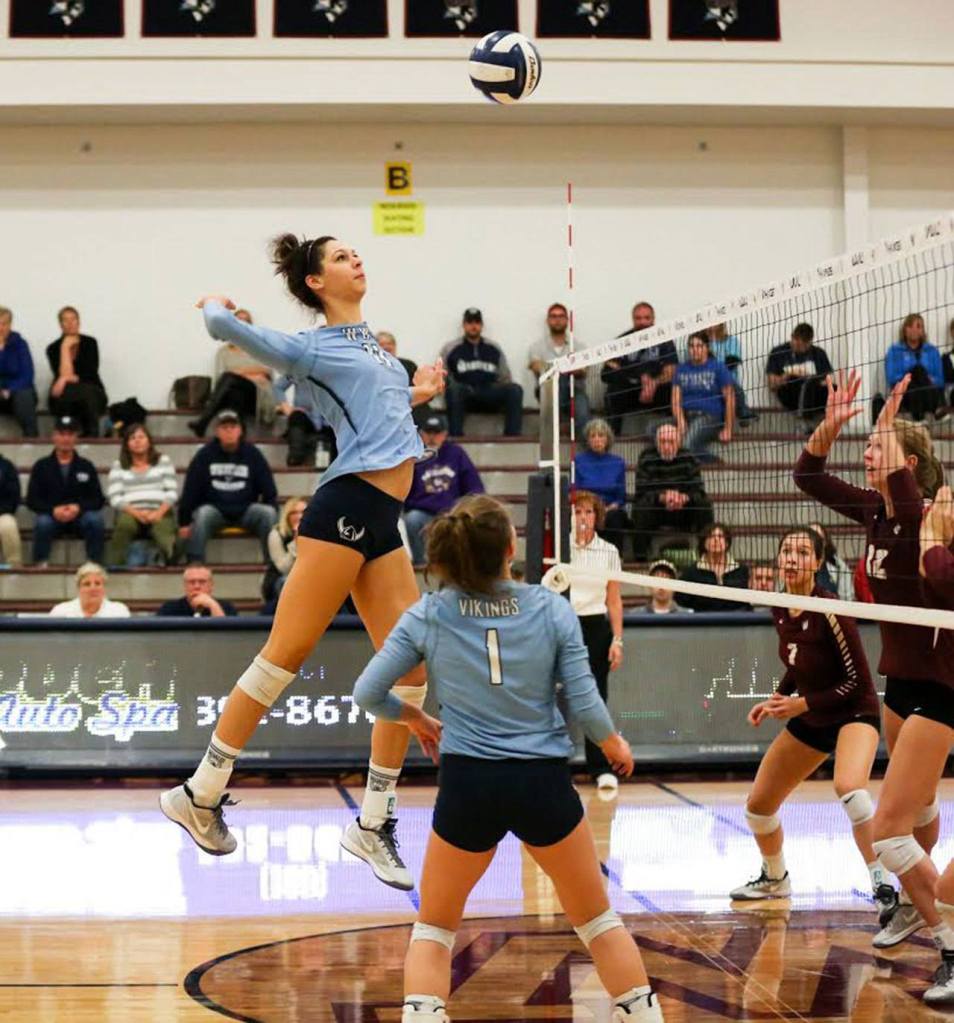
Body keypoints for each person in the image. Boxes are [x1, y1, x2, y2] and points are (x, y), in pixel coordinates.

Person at [160, 233, 446, 896]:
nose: (356, 260)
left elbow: (376, 419)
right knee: (284, 653)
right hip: (345, 506)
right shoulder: (311, 345)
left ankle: (372, 822)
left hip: (383, 520)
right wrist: (213, 303)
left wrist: (418, 393)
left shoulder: (371, 345)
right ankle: (200, 792)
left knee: (410, 667)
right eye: (341, 257)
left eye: (355, 253)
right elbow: (224, 328)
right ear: (317, 282)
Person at [351, 495, 663, 1023]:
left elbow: (368, 692)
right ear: (511, 547)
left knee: (434, 929)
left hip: (468, 784)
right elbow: (584, 700)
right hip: (542, 784)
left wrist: (417, 720)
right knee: (597, 920)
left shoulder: (429, 613)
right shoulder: (550, 608)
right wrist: (613, 745)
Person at [794, 371, 953, 971]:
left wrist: (889, 419)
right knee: (914, 813)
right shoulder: (876, 511)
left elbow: (912, 503)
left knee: (890, 829)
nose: (865, 452)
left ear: (907, 463)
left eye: (876, 445)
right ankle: (918, 900)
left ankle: (948, 941)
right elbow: (806, 477)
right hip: (902, 680)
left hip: (943, 686)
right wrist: (830, 427)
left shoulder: (926, 513)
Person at [730, 528, 893, 922]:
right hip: (814, 713)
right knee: (758, 809)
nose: (791, 557)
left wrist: (801, 703)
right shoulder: (779, 604)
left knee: (850, 789)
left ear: (817, 564)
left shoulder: (831, 610)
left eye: (802, 552)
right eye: (786, 550)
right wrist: (776, 699)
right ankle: (775, 878)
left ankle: (883, 884)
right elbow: (795, 662)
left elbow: (857, 682)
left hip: (854, 712)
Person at [569, 490, 625, 792]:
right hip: (563, 624)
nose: (583, 517)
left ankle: (600, 768)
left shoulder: (608, 551)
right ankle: (552, 766)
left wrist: (617, 640)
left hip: (595, 628)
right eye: (577, 512)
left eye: (588, 512)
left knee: (595, 699)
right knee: (550, 698)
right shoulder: (560, 549)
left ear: (596, 517)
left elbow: (614, 600)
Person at [177, 410, 278, 563]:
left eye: (233, 427)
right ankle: (195, 564)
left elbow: (269, 490)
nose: (229, 431)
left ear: (240, 430)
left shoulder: (253, 454)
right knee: (202, 514)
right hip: (215, 511)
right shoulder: (204, 455)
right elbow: (191, 490)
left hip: (246, 510)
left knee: (268, 513)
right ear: (217, 431)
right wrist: (184, 522)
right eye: (224, 427)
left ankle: (273, 565)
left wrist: (274, 509)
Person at [402, 413, 484, 565]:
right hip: (423, 513)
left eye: (437, 433)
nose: (432, 437)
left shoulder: (456, 453)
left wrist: (460, 508)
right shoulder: (414, 456)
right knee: (413, 519)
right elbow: (404, 492)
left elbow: (475, 488)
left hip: (452, 512)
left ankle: (459, 565)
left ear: (445, 434)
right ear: (420, 434)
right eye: (428, 433)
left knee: (465, 521)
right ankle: (422, 565)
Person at [26, 415, 105, 566]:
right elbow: (32, 500)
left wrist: (79, 507)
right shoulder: (41, 466)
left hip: (80, 517)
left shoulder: (86, 466)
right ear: (54, 436)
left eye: (70, 434)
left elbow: (97, 499)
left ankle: (94, 565)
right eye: (62, 434)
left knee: (95, 520)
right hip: (52, 516)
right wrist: (52, 510)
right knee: (42, 523)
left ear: (76, 437)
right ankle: (40, 564)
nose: (66, 439)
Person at [631, 422, 713, 560]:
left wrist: (684, 497)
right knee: (640, 506)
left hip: (684, 510)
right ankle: (641, 558)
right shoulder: (646, 457)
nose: (667, 447)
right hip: (657, 510)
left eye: (671, 442)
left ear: (679, 442)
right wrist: (662, 497)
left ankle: (705, 553)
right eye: (663, 442)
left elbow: (697, 489)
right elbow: (642, 489)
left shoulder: (688, 457)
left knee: (703, 504)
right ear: (656, 443)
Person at [188, 309, 277, 436]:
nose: (241, 324)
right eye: (237, 321)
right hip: (234, 397)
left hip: (257, 396)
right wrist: (252, 374)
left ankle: (204, 421)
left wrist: (237, 373)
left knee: (230, 378)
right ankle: (240, 433)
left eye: (245, 321)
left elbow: (267, 371)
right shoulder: (224, 353)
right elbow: (220, 379)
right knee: (235, 391)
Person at [105, 424, 178, 567]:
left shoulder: (163, 461)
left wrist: (158, 513)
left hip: (160, 511)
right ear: (126, 444)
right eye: (132, 438)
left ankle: (169, 559)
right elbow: (115, 497)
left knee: (165, 536)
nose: (137, 441)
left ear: (149, 441)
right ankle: (113, 567)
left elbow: (172, 492)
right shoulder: (118, 465)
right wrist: (138, 513)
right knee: (124, 527)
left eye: (141, 437)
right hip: (130, 511)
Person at [444, 309, 523, 437]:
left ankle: (512, 436)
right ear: (464, 325)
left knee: (515, 389)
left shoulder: (493, 348)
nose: (473, 326)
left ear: (482, 325)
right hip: (465, 394)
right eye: (470, 322)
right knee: (454, 390)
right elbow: (442, 375)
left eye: (477, 322)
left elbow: (505, 376)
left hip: (489, 392)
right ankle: (456, 437)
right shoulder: (451, 348)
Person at [601, 302, 675, 436]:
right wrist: (639, 378)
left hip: (657, 392)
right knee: (613, 392)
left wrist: (653, 383)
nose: (642, 322)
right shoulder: (623, 340)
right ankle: (613, 438)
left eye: (647, 318)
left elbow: (671, 371)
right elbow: (607, 372)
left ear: (653, 319)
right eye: (638, 318)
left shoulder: (665, 340)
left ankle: (670, 436)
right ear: (633, 319)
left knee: (674, 390)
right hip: (630, 390)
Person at [527, 302, 589, 438]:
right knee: (557, 380)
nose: (557, 320)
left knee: (583, 414)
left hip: (574, 390)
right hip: (547, 390)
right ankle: (555, 430)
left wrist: (553, 368)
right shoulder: (536, 346)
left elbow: (583, 369)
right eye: (553, 316)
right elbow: (536, 366)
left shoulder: (578, 346)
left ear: (567, 320)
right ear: (548, 320)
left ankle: (582, 452)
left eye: (561, 316)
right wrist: (565, 369)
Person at [672, 332, 735, 464]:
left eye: (699, 346)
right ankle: (700, 455)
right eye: (691, 346)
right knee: (652, 429)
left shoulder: (718, 367)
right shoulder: (681, 369)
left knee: (686, 446)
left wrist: (728, 428)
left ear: (707, 347)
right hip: (686, 416)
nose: (695, 350)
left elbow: (730, 399)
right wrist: (680, 420)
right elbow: (675, 400)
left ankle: (708, 460)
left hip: (709, 417)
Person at [46, 306, 108, 437]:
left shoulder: (90, 343)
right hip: (66, 394)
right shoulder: (53, 348)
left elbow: (89, 372)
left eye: (73, 319)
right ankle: (67, 435)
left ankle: (92, 436)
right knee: (67, 393)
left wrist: (63, 379)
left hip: (93, 390)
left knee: (86, 393)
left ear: (79, 322)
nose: (70, 323)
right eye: (65, 320)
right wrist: (65, 347)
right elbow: (61, 373)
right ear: (60, 324)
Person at [574, 419, 630, 558]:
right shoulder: (579, 461)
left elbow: (621, 496)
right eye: (593, 436)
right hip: (587, 507)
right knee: (584, 517)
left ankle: (616, 558)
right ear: (587, 440)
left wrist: (609, 507)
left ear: (608, 439)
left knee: (615, 518)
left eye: (601, 435)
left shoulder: (618, 462)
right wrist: (592, 508)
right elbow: (575, 490)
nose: (597, 439)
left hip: (610, 508)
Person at [878, 313, 945, 423]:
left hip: (930, 392)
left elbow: (940, 380)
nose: (914, 330)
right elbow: (891, 378)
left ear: (923, 331)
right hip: (905, 395)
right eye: (910, 326)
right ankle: (932, 412)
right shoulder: (894, 350)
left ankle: (920, 416)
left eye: (918, 326)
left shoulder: (932, 350)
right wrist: (910, 376)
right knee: (916, 371)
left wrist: (928, 378)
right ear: (904, 329)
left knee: (920, 372)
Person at [765, 323, 832, 429]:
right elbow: (772, 385)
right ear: (792, 337)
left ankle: (826, 421)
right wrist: (787, 375)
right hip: (790, 391)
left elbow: (829, 380)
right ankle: (805, 420)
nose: (798, 346)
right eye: (796, 342)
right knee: (799, 382)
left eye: (803, 345)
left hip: (814, 392)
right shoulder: (779, 352)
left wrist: (813, 379)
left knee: (828, 387)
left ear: (809, 342)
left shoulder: (818, 353)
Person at [678, 523, 751, 612]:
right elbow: (682, 601)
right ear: (704, 543)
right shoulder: (691, 572)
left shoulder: (741, 570)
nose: (716, 540)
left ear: (727, 543)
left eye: (720, 536)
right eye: (711, 537)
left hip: (736, 620)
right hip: (702, 621)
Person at [273, 374, 337, 467]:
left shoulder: (335, 368)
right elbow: (278, 386)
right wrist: (287, 408)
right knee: (296, 418)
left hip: (328, 420)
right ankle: (295, 459)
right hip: (305, 417)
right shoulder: (299, 367)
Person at [708, 322, 756, 426]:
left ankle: (740, 410)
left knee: (727, 380)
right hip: (706, 380)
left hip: (727, 381)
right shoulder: (699, 342)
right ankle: (742, 410)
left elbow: (732, 362)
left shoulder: (731, 341)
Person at [0, 306, 38, 437]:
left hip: (16, 392)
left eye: (4, 324)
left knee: (24, 394)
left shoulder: (20, 344)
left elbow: (28, 374)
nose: (1, 328)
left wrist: (10, 389)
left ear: (10, 325)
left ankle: (32, 437)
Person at [262, 496, 307, 602]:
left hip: (307, 575)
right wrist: (296, 543)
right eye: (294, 513)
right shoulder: (276, 534)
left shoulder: (316, 533)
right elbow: (283, 568)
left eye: (303, 512)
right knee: (288, 582)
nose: (300, 516)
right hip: (280, 578)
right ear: (287, 516)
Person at [49, 561, 130, 618]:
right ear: (79, 588)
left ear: (104, 588)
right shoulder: (60, 612)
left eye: (97, 583)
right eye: (87, 584)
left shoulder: (119, 611)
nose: (93, 588)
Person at [156, 563, 239, 618]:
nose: (197, 586)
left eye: (202, 582)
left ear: (211, 586)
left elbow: (227, 637)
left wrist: (212, 605)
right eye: (191, 582)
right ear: (185, 586)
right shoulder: (169, 609)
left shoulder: (226, 607)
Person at [807, 521, 854, 601]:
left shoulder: (838, 565)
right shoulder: (796, 564)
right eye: (811, 538)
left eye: (818, 539)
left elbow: (847, 599)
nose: (814, 542)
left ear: (825, 542)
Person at [0, 450, 22, 566]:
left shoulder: (6, 467)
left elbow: (14, 497)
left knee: (8, 525)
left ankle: (14, 567)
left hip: (2, 514)